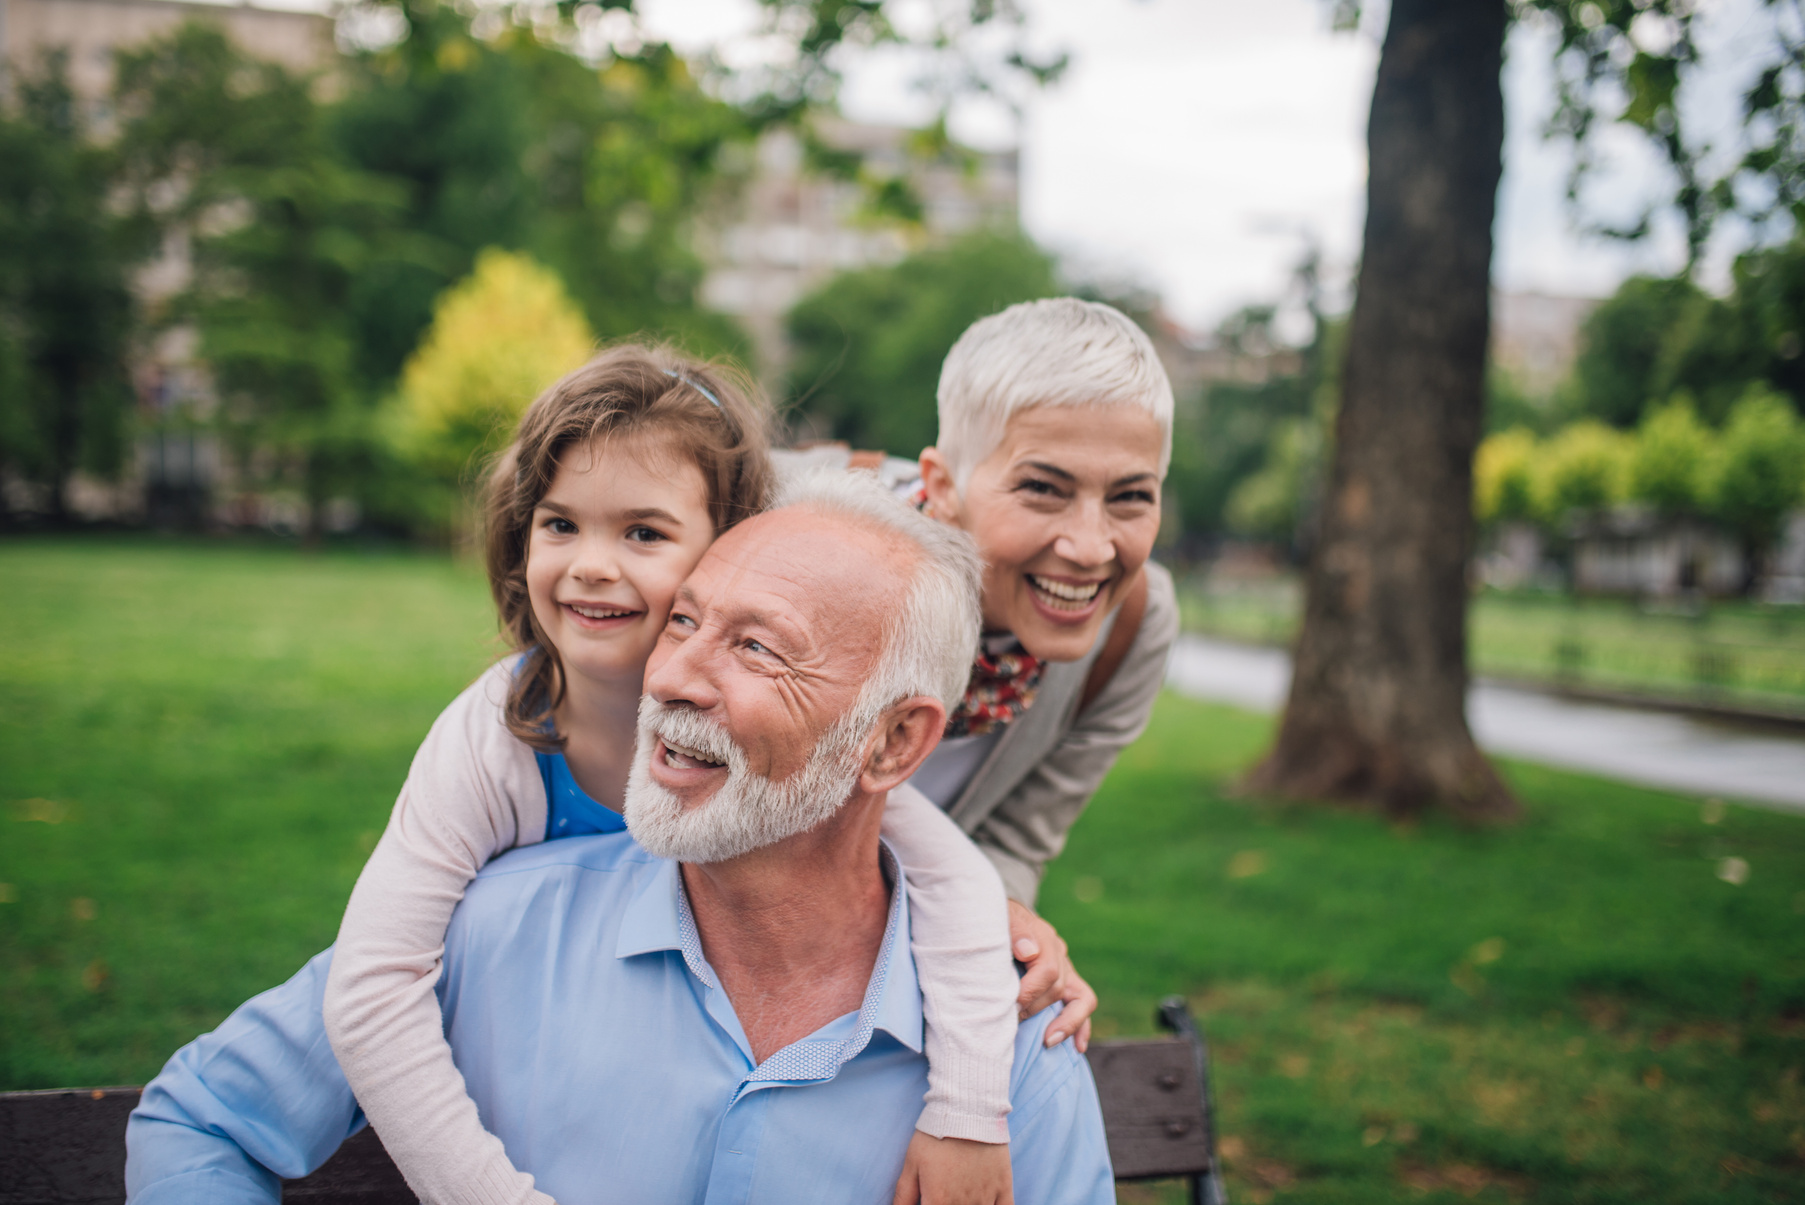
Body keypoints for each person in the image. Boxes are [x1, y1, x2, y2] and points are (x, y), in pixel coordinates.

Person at [125, 473, 1115, 1205]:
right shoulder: (492, 929)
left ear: (893, 741)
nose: (674, 673)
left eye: (757, 645)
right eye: (680, 619)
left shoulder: (1013, 1047)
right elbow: (200, 1123)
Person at [319, 348, 1021, 1205]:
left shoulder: (796, 748)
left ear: (730, 544)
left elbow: (955, 883)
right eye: (558, 523)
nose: (590, 564)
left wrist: (968, 1108)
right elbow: (373, 983)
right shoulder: (498, 732)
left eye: (643, 532)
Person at [808, 298, 1180, 1051]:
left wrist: (1005, 927)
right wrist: (972, 903)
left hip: (894, 952)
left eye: (1129, 496)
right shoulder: (814, 560)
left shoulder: (1134, 626)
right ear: (941, 485)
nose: (1088, 546)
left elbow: (1016, 837)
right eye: (1042, 488)